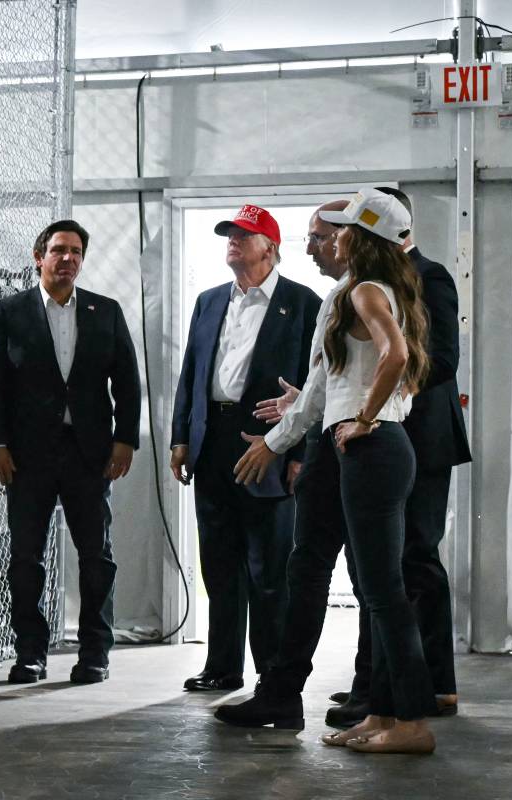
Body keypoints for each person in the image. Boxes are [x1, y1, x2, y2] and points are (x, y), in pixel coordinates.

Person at [229, 188, 437, 754]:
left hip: (372, 450)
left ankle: (413, 723)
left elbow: (394, 356)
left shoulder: (366, 290)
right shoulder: (377, 289)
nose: (330, 237)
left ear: (361, 239)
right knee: (377, 589)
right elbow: (339, 380)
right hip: (371, 448)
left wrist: (364, 418)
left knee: (384, 591)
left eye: (339, 229)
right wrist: (341, 411)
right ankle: (385, 715)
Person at [0, 219, 141, 685]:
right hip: (26, 457)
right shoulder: (6, 313)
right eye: (58, 250)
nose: (67, 258)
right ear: (39, 258)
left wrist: (125, 438)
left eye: (75, 252)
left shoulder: (105, 312)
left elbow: (127, 382)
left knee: (97, 556)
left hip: (89, 454)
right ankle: (30, 652)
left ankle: (95, 653)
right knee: (25, 557)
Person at [330, 187, 470, 721]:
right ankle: (375, 684)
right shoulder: (365, 284)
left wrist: (382, 402)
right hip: (385, 435)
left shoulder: (428, 275)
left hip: (421, 439)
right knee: (377, 566)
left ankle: (435, 685)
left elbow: (442, 359)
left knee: (414, 560)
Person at [169, 204, 320, 693]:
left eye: (244, 235)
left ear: (270, 248)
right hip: (213, 441)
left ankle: (272, 674)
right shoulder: (210, 301)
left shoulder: (302, 304)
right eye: (229, 234)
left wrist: (298, 453)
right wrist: (180, 437)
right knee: (219, 562)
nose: (233, 241)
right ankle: (222, 666)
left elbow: (317, 385)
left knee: (268, 568)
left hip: (269, 445)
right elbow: (192, 373)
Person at [212, 199, 351, 730]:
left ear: (351, 238)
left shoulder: (342, 296)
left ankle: (389, 702)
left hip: (347, 449)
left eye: (318, 237)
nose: (309, 246)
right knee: (311, 571)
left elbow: (390, 368)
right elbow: (323, 387)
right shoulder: (348, 294)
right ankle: (280, 691)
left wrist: (282, 442)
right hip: (322, 444)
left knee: (347, 579)